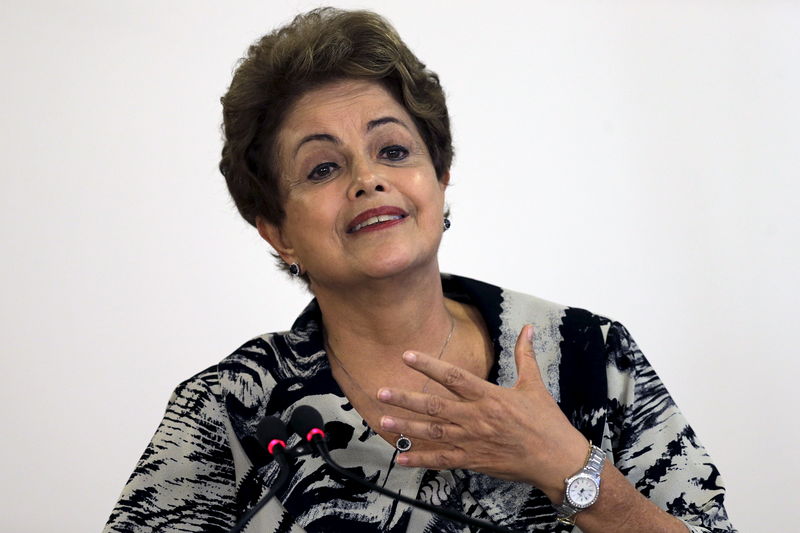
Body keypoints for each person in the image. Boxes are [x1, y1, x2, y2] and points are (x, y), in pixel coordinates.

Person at [104, 7, 736, 533]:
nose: (367, 179)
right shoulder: (233, 411)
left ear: (439, 175)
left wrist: (570, 467)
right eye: (323, 168)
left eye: (394, 150)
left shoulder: (589, 357)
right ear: (276, 231)